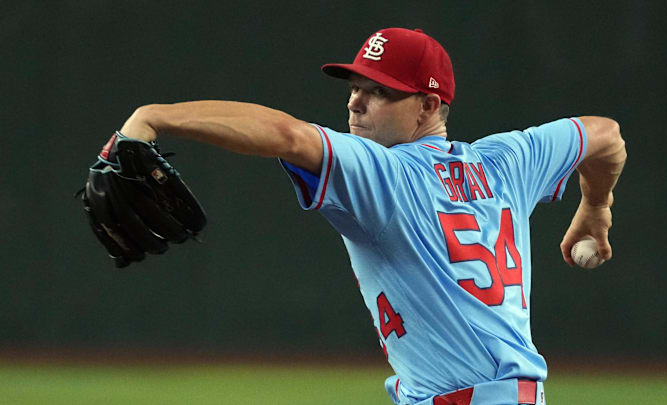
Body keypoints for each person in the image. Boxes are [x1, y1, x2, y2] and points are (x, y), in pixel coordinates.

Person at [118, 28, 626, 405]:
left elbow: (287, 135)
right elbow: (605, 135)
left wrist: (155, 117)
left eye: (380, 91)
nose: (356, 102)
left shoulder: (386, 174)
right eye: (355, 85)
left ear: (428, 105)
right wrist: (595, 208)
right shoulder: (508, 160)